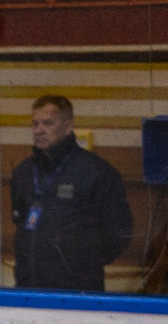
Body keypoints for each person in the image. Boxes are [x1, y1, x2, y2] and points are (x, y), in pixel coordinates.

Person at [11, 95, 132, 294]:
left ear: (68, 127)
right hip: (28, 289)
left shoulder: (96, 172)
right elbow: (19, 222)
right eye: (35, 124)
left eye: (47, 123)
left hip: (78, 291)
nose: (38, 130)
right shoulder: (23, 173)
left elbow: (119, 233)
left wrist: (83, 266)